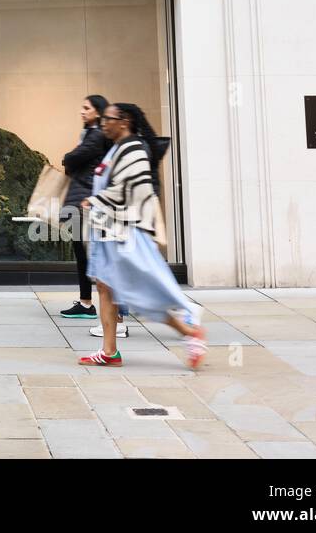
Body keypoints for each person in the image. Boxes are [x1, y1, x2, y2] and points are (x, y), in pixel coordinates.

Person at [79, 102, 206, 369]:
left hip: (124, 233)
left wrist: (96, 199)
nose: (103, 123)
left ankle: (190, 331)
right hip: (108, 231)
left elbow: (132, 190)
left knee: (140, 293)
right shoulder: (116, 149)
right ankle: (109, 351)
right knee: (105, 287)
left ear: (124, 121)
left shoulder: (134, 149)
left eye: (108, 119)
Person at [57, 94, 108, 321]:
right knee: (82, 251)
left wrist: (68, 157)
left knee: (87, 252)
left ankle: (94, 303)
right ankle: (86, 302)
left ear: (97, 112)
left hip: (85, 200)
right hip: (82, 199)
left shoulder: (96, 135)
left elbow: (72, 158)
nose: (82, 111)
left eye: (86, 108)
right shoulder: (91, 134)